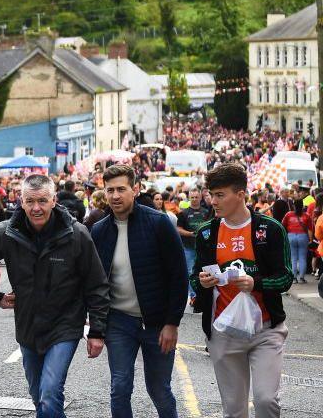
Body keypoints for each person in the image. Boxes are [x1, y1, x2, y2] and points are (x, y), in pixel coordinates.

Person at [0, 174, 109, 418]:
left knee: (50, 392)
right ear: (20, 201)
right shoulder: (4, 233)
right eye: (30, 201)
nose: (37, 208)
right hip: (27, 326)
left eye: (43, 201)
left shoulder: (77, 234)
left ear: (54, 200)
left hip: (65, 325)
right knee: (39, 398)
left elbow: (96, 283)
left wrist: (97, 331)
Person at [192, 163, 292, 418]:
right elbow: (194, 277)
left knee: (266, 401)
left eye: (220, 194)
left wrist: (256, 283)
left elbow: (286, 277)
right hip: (223, 332)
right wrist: (202, 282)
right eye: (211, 194)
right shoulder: (206, 233)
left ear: (241, 194)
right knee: (234, 410)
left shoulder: (269, 229)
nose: (213, 201)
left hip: (266, 330)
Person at [91, 165, 187, 418]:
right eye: (109, 190)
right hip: (119, 321)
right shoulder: (99, 230)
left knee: (159, 390)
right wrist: (96, 328)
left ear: (135, 189)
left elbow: (178, 276)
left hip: (156, 323)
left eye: (121, 189)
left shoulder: (158, 223)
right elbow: (95, 284)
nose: (115, 196)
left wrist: (172, 323)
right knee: (119, 387)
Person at [281, 200, 312, 284]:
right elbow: (309, 229)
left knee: (293, 258)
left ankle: (294, 278)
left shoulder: (288, 214)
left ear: (293, 206)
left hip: (291, 236)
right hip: (303, 237)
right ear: (302, 206)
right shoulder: (307, 215)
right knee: (302, 258)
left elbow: (282, 225)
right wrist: (311, 240)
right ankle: (301, 278)